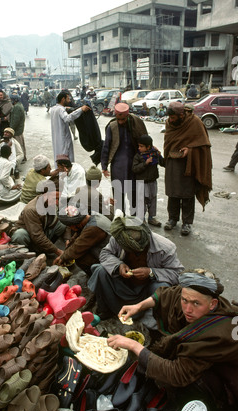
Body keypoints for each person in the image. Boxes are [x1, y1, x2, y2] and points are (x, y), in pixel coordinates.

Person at [108, 272, 238, 411]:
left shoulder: (216, 333)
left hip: (226, 387)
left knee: (187, 382)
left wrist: (134, 346)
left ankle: (194, 409)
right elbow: (168, 294)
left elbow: (177, 373)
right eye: (185, 301)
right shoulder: (200, 297)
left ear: (213, 304)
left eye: (196, 304)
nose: (188, 309)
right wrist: (138, 306)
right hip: (206, 360)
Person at [88, 214, 184, 324]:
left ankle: (155, 320)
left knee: (162, 287)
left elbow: (178, 273)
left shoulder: (165, 247)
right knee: (101, 271)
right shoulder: (120, 237)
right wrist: (118, 265)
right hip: (124, 284)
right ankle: (106, 309)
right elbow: (105, 253)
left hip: (147, 289)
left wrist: (151, 272)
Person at [163, 101, 212, 236]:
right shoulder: (169, 123)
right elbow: (168, 141)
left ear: (182, 115)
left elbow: (204, 143)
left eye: (173, 118)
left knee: (187, 194)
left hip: (188, 163)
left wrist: (190, 149)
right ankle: (172, 219)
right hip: (172, 161)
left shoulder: (194, 122)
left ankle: (187, 222)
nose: (171, 120)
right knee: (172, 193)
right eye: (170, 118)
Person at [101, 102, 148, 215]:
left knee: (134, 192)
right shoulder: (112, 127)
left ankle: (135, 217)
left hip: (134, 164)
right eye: (118, 119)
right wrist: (104, 166)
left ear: (127, 116)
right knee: (118, 193)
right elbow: (106, 147)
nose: (120, 122)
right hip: (118, 165)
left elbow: (145, 139)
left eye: (123, 120)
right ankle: (119, 217)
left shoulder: (136, 123)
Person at [54, 205, 111, 275]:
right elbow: (78, 237)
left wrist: (63, 257)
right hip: (106, 248)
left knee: (80, 257)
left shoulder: (93, 228)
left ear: (74, 226)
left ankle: (98, 276)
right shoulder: (90, 216)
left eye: (69, 226)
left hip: (111, 257)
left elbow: (78, 247)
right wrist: (68, 248)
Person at [11, 191, 66, 258]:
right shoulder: (32, 209)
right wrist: (57, 251)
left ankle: (43, 249)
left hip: (42, 230)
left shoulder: (52, 202)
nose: (57, 202)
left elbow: (66, 218)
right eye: (54, 199)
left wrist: (67, 239)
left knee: (62, 224)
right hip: (31, 235)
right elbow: (37, 235)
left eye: (58, 199)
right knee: (20, 235)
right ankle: (25, 255)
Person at [132, 135, 165, 226]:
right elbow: (134, 169)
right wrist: (145, 163)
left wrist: (159, 154)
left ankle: (151, 218)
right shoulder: (138, 156)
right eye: (139, 146)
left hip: (152, 181)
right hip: (141, 182)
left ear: (148, 147)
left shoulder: (155, 154)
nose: (139, 148)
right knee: (142, 201)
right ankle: (141, 219)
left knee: (152, 200)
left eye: (141, 146)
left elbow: (163, 163)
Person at [50, 93, 90, 166]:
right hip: (63, 141)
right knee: (66, 162)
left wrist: (66, 108)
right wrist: (80, 110)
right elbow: (67, 118)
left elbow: (62, 111)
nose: (69, 101)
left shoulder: (53, 109)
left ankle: (61, 175)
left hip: (57, 140)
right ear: (63, 99)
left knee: (59, 162)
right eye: (68, 99)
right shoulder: (60, 110)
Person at [9, 94, 26, 162]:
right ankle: (23, 157)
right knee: (21, 144)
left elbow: (15, 120)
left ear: (14, 100)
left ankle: (22, 158)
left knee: (19, 146)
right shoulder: (19, 105)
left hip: (17, 130)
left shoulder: (17, 107)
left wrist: (11, 129)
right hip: (19, 129)